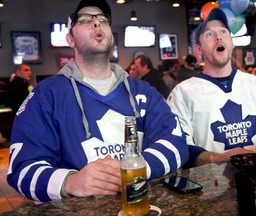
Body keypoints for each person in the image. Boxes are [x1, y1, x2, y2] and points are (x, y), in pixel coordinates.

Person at [7, 0, 188, 203]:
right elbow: (21, 169)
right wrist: (70, 181)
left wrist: (137, 167)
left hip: (141, 205)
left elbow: (176, 142)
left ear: (111, 36)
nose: (96, 23)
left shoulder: (144, 92)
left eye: (103, 20)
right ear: (70, 39)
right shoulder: (46, 96)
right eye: (84, 20)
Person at [167, 8, 256, 167]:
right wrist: (218, 158)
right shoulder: (182, 93)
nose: (218, 37)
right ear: (199, 50)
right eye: (209, 34)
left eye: (224, 32)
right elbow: (179, 146)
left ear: (232, 44)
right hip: (212, 185)